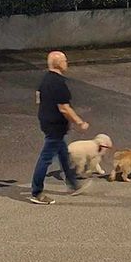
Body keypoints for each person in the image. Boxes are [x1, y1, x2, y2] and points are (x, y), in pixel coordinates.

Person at [30, 51, 91, 205]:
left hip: (47, 122)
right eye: (64, 60)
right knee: (46, 158)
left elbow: (39, 99)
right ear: (58, 63)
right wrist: (79, 122)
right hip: (55, 126)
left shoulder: (45, 80)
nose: (66, 62)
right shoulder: (59, 83)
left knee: (63, 153)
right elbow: (64, 108)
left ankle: (72, 184)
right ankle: (37, 192)